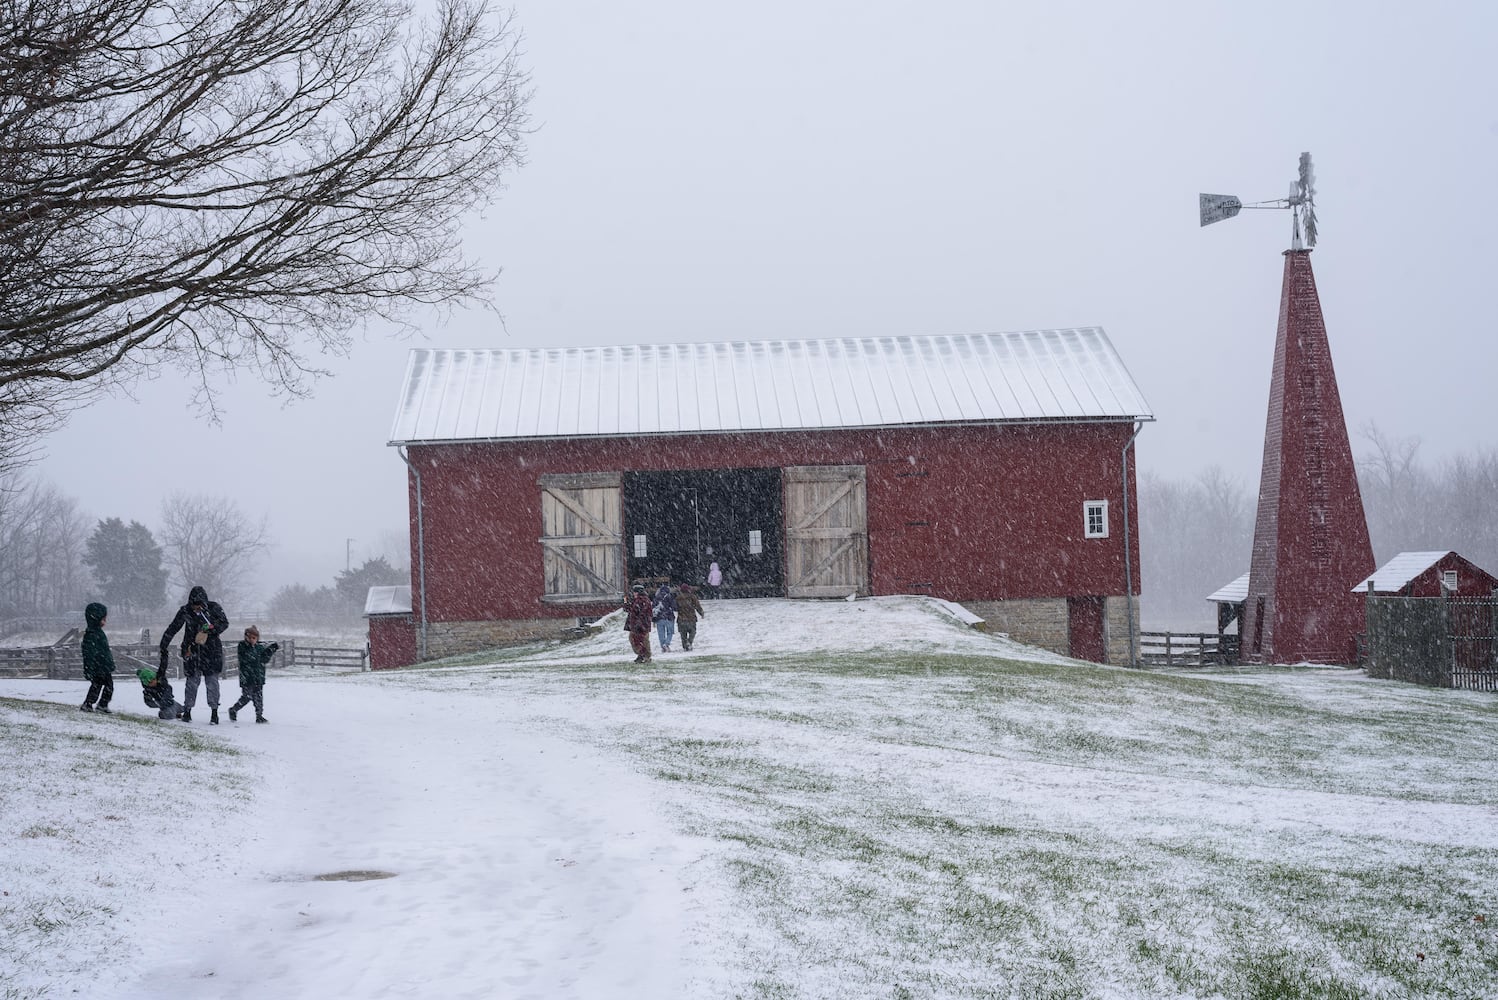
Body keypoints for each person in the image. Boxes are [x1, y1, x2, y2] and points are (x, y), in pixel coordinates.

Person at [158, 585, 229, 724]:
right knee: (191, 683)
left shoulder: (214, 608)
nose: (197, 608)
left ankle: (214, 712)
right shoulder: (185, 611)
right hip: (192, 651)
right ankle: (188, 711)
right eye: (194, 605)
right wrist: (163, 644)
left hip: (211, 652)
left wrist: (211, 629)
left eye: (199, 605)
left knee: (212, 683)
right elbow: (173, 628)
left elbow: (224, 623)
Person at [230, 626, 279, 724]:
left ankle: (259, 715)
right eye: (250, 638)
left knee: (258, 697)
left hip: (258, 676)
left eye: (254, 638)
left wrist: (270, 651)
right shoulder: (242, 646)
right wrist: (253, 649)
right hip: (247, 676)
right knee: (247, 696)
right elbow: (248, 658)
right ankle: (234, 709)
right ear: (246, 637)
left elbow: (263, 660)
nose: (252, 640)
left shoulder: (259, 647)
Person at [79, 602, 115, 714]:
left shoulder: (98, 633)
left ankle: (99, 704)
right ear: (95, 618)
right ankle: (90, 704)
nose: (105, 622)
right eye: (103, 619)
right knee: (99, 686)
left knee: (105, 686)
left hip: (103, 666)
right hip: (98, 667)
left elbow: (104, 650)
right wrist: (90, 668)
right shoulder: (91, 634)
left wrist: (108, 662)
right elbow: (89, 653)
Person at [624, 582, 654, 663]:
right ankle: (641, 655)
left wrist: (638, 623)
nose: (633, 593)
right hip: (638, 625)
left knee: (641, 640)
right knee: (637, 640)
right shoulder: (637, 600)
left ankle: (645, 656)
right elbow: (631, 610)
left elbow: (642, 613)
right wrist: (626, 603)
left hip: (641, 625)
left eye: (634, 592)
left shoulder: (642, 600)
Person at [676, 584, 705, 651]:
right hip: (691, 618)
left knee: (683, 634)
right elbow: (697, 606)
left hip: (681, 619)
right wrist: (701, 613)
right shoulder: (692, 597)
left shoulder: (678, 598)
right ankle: (689, 642)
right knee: (693, 632)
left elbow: (675, 608)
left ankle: (685, 646)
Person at [653, 582, 678, 652]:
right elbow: (674, 607)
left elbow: (653, 609)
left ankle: (663, 646)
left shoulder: (656, 598)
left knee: (661, 633)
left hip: (659, 618)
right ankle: (666, 644)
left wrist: (654, 620)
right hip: (669, 617)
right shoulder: (670, 597)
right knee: (670, 632)